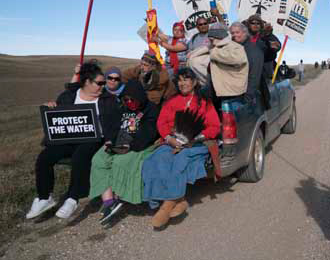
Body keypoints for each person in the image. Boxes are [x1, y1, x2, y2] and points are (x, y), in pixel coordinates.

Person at [26, 61, 121, 220]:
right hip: (68, 139)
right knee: (45, 157)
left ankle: (73, 198)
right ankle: (44, 198)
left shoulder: (107, 100)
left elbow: (114, 124)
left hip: (93, 139)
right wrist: (50, 107)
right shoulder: (69, 96)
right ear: (86, 82)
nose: (103, 86)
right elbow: (58, 115)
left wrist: (110, 141)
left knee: (80, 157)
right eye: (99, 83)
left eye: (104, 82)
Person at [142, 68, 220, 229]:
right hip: (172, 141)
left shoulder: (204, 103)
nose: (182, 83)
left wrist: (196, 138)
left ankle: (168, 203)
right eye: (179, 80)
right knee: (155, 159)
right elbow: (161, 123)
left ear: (195, 82)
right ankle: (179, 200)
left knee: (181, 159)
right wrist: (169, 138)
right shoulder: (171, 101)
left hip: (197, 143)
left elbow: (214, 126)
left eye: (186, 79)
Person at [89, 80, 159, 224]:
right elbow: (112, 126)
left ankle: (118, 196)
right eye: (126, 99)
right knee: (99, 159)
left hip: (138, 144)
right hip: (118, 143)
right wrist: (109, 140)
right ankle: (108, 201)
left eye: (132, 99)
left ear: (139, 97)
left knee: (121, 161)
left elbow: (149, 132)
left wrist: (130, 145)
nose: (129, 102)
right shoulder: (122, 108)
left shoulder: (151, 109)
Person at [207, 22, 248, 107]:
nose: (234, 35)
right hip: (219, 91)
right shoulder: (214, 47)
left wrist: (213, 53)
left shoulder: (235, 47)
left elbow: (238, 59)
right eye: (233, 33)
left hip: (232, 93)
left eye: (237, 32)